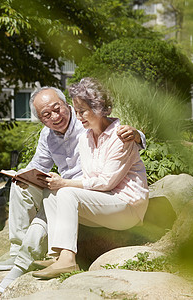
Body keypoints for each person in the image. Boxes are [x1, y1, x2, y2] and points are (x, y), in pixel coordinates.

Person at [0, 86, 146, 292]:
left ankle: (25, 262)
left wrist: (137, 136)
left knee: (58, 193)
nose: (55, 117)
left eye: (58, 109)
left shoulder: (87, 125)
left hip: (95, 192)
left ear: (67, 105)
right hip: (74, 190)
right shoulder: (58, 136)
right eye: (46, 115)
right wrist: (24, 177)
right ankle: (32, 253)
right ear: (40, 119)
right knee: (24, 188)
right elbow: (37, 165)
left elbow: (116, 134)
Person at [31, 77, 149, 279]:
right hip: (104, 204)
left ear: (99, 107)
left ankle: (68, 261)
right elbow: (89, 177)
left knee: (66, 191)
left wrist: (65, 183)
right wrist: (58, 185)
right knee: (52, 193)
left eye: (82, 111)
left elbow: (106, 182)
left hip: (127, 207)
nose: (78, 117)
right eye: (76, 111)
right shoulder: (85, 138)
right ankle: (57, 255)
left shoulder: (120, 136)